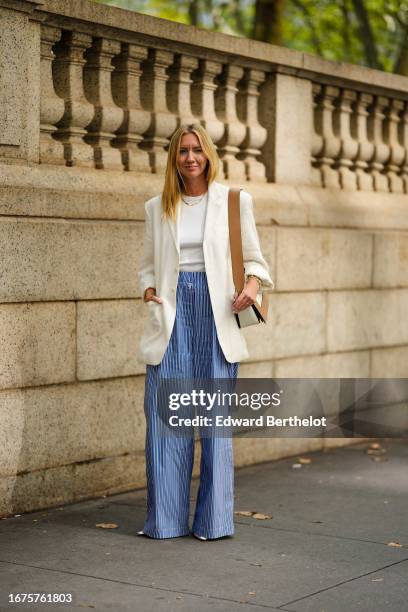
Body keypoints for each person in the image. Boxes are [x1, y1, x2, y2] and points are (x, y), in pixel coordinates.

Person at [137, 123, 273, 541]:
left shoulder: (234, 202)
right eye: (182, 151)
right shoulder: (156, 206)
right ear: (173, 158)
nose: (190, 158)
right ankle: (166, 521)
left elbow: (258, 263)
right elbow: (147, 265)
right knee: (166, 420)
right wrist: (149, 293)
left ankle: (213, 522)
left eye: (196, 150)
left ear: (208, 154)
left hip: (217, 314)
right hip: (174, 314)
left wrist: (250, 289)